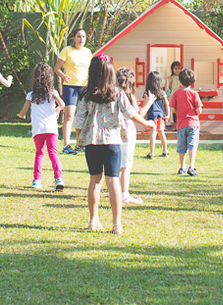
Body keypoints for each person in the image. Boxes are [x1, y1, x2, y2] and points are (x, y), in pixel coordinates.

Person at [72, 54, 153, 234]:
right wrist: (147, 123)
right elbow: (131, 113)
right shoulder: (118, 93)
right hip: (113, 142)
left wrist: (80, 140)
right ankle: (117, 224)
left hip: (92, 142)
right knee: (113, 181)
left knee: (95, 180)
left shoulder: (85, 94)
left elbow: (78, 121)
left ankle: (93, 221)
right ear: (110, 72)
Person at [16, 62, 65, 190]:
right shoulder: (53, 93)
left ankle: (37, 180)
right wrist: (57, 110)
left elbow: (23, 112)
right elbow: (63, 104)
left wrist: (21, 116)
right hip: (51, 128)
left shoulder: (31, 95)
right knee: (53, 153)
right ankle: (58, 178)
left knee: (39, 153)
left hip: (38, 129)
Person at [115, 67, 152, 205]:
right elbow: (138, 114)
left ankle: (115, 188)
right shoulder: (128, 96)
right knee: (126, 164)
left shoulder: (113, 94)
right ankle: (124, 194)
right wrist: (149, 102)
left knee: (117, 163)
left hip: (115, 132)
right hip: (127, 133)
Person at [56, 28, 92, 154]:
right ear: (74, 38)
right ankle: (66, 145)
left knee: (83, 115)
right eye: (79, 36)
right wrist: (63, 76)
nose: (81, 39)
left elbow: (90, 70)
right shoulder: (67, 51)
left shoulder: (88, 52)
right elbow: (57, 68)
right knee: (69, 115)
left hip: (84, 87)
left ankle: (80, 144)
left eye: (83, 36)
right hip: (70, 86)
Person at [169, 67, 202, 176]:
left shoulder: (176, 93)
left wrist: (179, 112)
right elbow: (199, 109)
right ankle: (191, 166)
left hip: (181, 124)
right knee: (192, 145)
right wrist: (195, 113)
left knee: (182, 146)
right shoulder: (194, 94)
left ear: (179, 81)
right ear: (192, 82)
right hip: (193, 123)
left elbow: (172, 108)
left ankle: (182, 167)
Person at [142, 70, 169, 159]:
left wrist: (143, 115)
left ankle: (151, 153)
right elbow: (166, 104)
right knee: (162, 133)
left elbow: (145, 104)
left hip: (152, 115)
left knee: (153, 134)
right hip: (161, 115)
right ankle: (165, 151)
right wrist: (167, 114)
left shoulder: (147, 93)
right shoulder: (162, 92)